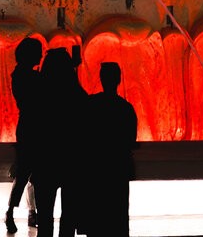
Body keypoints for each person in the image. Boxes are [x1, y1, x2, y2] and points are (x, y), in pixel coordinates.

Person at [31, 44, 87, 237]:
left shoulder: (39, 96)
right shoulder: (78, 96)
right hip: (71, 162)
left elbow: (33, 130)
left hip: (45, 162)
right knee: (69, 217)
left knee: (44, 218)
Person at [80, 62, 138, 237]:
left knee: (96, 219)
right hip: (118, 169)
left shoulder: (91, 105)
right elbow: (130, 140)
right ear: (118, 80)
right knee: (118, 217)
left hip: (96, 169)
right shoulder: (126, 109)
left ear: (101, 79)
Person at [5, 37, 44, 234]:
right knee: (27, 173)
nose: (41, 55)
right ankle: (15, 212)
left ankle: (17, 212)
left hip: (28, 126)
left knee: (27, 174)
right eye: (38, 52)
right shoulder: (28, 77)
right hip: (32, 128)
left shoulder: (19, 75)